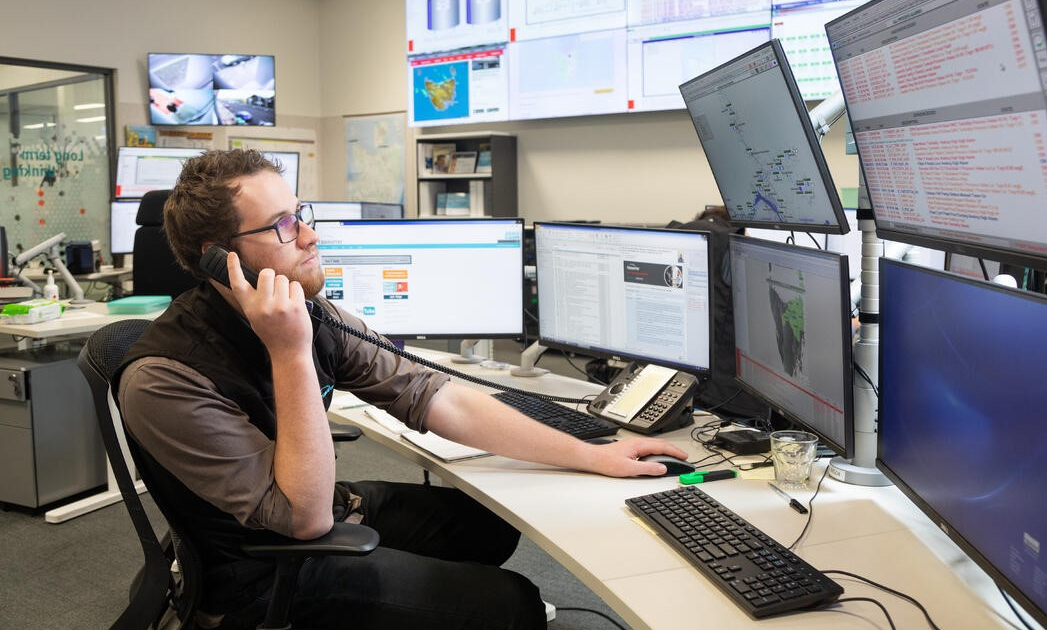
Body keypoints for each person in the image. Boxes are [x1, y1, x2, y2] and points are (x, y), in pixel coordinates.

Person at [115, 149, 689, 630]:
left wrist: (592, 455)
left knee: (488, 526)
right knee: (512, 604)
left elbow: (432, 395)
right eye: (283, 225)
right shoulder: (165, 377)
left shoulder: (314, 315)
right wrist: (289, 353)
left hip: (327, 509)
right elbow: (303, 519)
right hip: (258, 572)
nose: (310, 236)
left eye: (301, 214)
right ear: (219, 260)